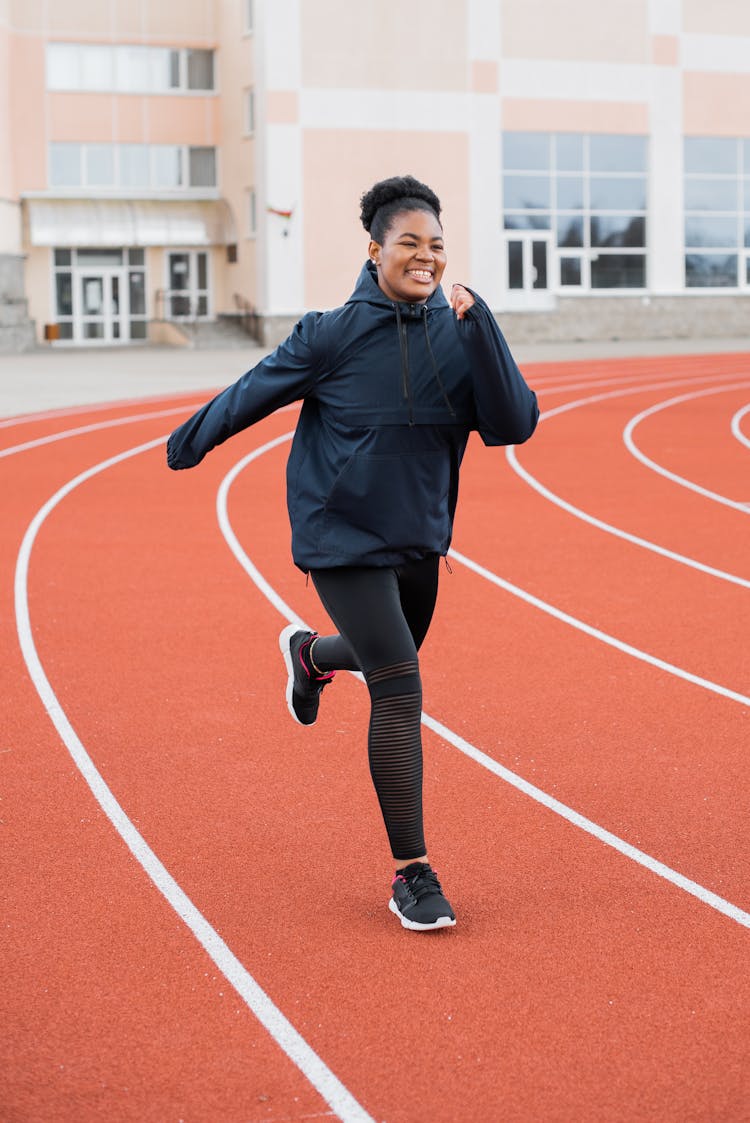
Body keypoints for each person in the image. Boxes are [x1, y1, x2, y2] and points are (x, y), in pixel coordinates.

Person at [167, 174, 539, 931]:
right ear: (375, 250)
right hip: (338, 535)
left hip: (418, 538)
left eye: (437, 244)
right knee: (400, 685)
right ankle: (414, 874)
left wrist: (486, 328)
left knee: (380, 659)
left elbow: (513, 424)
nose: (426, 256)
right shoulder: (332, 332)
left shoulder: (460, 335)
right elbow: (254, 390)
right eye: (409, 242)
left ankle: (309, 656)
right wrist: (191, 441)